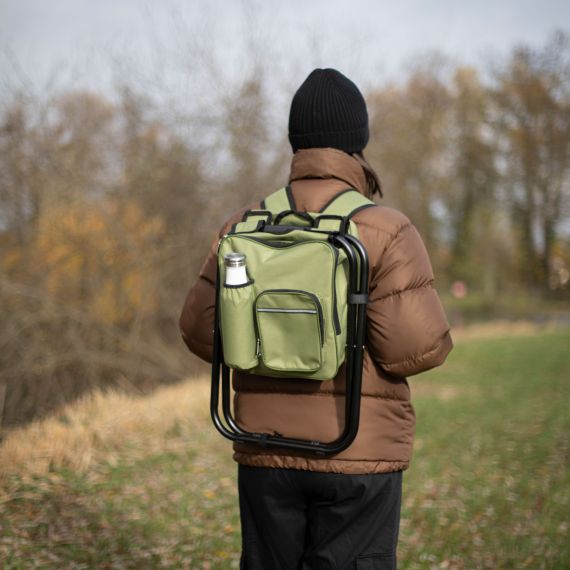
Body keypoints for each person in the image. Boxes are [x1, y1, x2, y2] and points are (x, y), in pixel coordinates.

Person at [179, 68, 453, 570]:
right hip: (356, 454)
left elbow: (199, 330)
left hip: (265, 453)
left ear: (296, 142)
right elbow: (416, 348)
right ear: (358, 142)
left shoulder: (246, 226)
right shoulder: (386, 229)